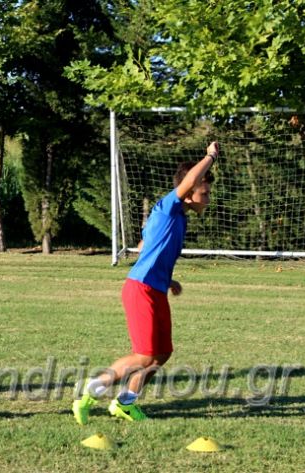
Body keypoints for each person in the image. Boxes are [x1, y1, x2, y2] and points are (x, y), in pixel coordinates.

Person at [72, 141, 220, 424]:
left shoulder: (177, 218)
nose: (208, 198)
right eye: (204, 192)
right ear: (189, 192)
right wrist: (210, 156)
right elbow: (190, 181)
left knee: (162, 353)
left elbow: (147, 246)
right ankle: (89, 393)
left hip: (155, 288)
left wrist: (167, 279)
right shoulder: (168, 207)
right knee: (143, 356)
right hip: (141, 290)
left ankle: (125, 403)